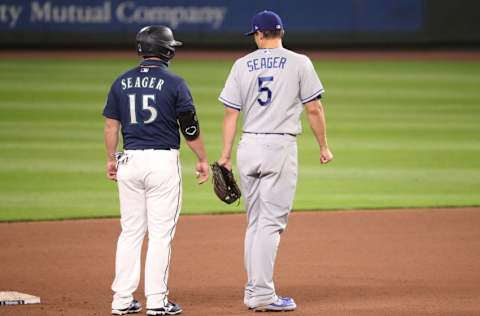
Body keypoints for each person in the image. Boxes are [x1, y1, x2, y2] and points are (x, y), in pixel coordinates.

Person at [217, 10, 333, 312]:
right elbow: (314, 109)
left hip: (248, 145)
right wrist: (324, 146)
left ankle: (253, 289)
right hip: (279, 146)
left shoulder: (242, 64)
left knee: (255, 223)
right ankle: (262, 295)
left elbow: (231, 113)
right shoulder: (299, 62)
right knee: (270, 224)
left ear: (258, 34)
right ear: (281, 33)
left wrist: (225, 155)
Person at [103, 25, 209, 316]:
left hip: (129, 162)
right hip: (162, 164)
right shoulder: (175, 82)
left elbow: (112, 125)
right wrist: (202, 158)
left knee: (130, 233)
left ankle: (122, 301)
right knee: (161, 235)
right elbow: (190, 126)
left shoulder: (121, 81)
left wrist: (112, 158)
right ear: (166, 50)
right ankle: (157, 302)